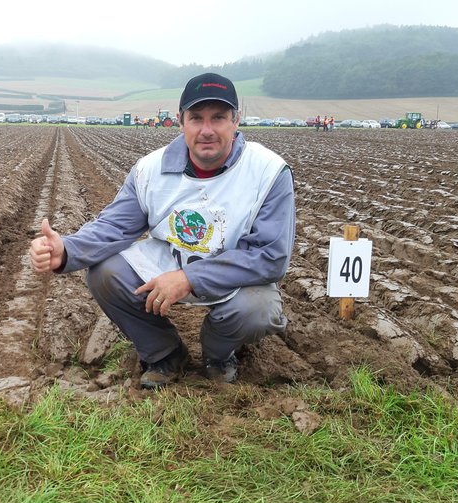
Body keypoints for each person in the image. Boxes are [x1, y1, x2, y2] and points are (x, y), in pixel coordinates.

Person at [29, 72, 295, 389]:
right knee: (105, 272)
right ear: (181, 121)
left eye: (218, 118)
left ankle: (218, 352)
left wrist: (190, 278)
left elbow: (270, 257)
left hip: (234, 273)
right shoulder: (150, 170)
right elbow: (114, 226)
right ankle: (165, 352)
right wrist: (67, 250)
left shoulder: (268, 171)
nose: (207, 130)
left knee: (258, 308)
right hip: (169, 262)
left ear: (236, 121)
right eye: (196, 118)